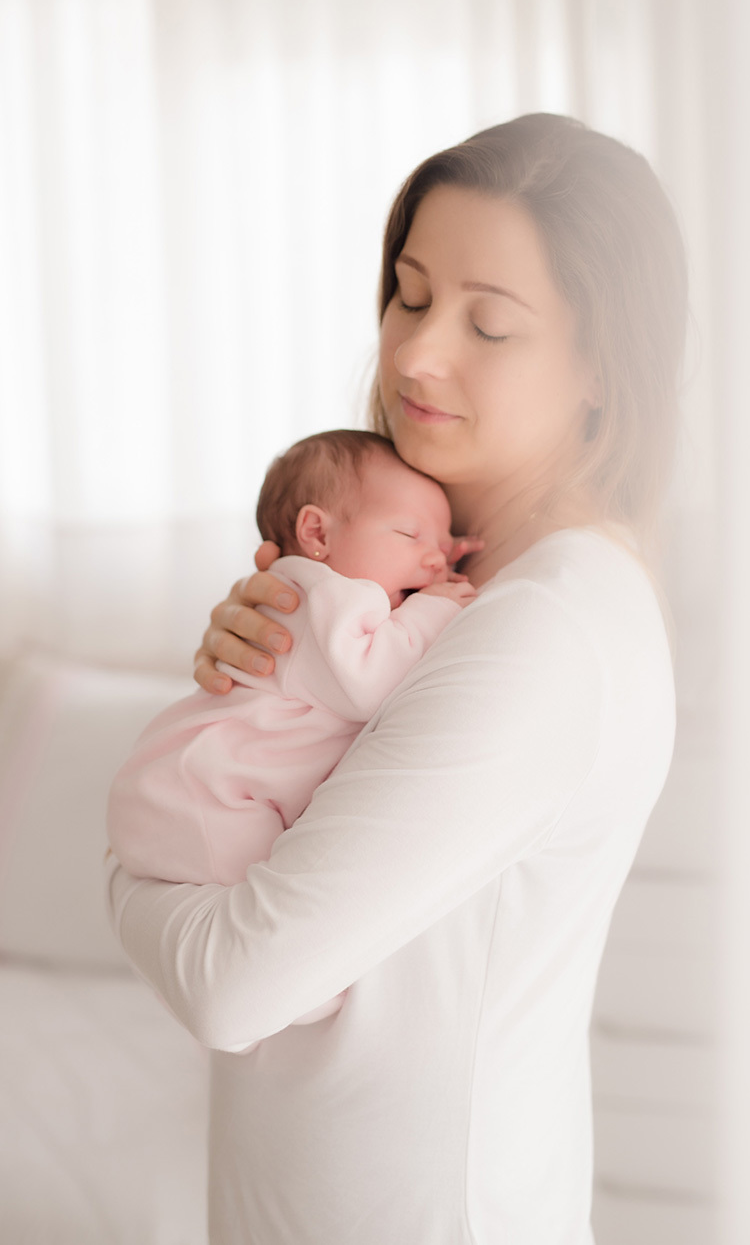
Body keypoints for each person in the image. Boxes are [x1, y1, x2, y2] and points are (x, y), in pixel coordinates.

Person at [106, 113, 688, 1243]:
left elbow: (234, 985)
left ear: (600, 366)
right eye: (411, 295)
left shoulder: (544, 629)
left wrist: (127, 859)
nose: (417, 353)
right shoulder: (431, 594)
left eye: (489, 323)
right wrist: (255, 698)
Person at [107, 430, 474, 1023]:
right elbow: (367, 682)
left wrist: (432, 558)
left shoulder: (320, 595)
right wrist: (438, 607)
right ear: (317, 534)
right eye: (411, 535)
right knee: (268, 938)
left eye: (448, 546)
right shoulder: (326, 595)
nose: (435, 559)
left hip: (195, 784)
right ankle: (299, 999)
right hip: (209, 793)